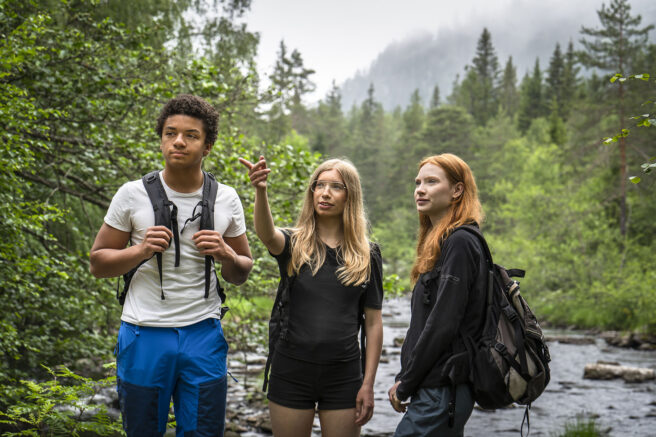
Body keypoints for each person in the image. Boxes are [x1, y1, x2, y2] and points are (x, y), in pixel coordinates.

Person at [89, 94, 253, 437]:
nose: (178, 141)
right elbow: (98, 263)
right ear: (161, 138)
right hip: (142, 333)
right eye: (170, 133)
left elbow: (241, 272)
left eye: (191, 135)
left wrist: (225, 253)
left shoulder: (226, 198)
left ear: (207, 146)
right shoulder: (131, 194)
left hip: (203, 334)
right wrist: (140, 251)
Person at [239, 156, 384, 437]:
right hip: (291, 370)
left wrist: (368, 384)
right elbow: (267, 235)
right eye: (320, 185)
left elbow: (373, 323)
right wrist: (260, 190)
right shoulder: (294, 243)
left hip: (344, 374)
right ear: (312, 191)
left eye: (336, 187)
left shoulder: (368, 253)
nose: (325, 192)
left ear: (350, 196)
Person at [387, 153, 487, 437]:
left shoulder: (461, 242)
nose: (420, 189)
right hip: (435, 389)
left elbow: (443, 323)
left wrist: (406, 384)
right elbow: (423, 324)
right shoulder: (444, 242)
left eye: (432, 182)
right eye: (418, 182)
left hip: (443, 392)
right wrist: (406, 378)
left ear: (457, 190)